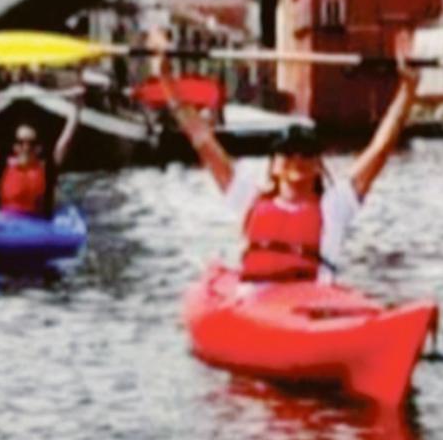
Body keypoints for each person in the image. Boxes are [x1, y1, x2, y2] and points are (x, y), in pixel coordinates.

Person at [157, 28, 419, 282]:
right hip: (256, 306)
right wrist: (166, 79)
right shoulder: (248, 197)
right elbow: (202, 139)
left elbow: (380, 147)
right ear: (273, 166)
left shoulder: (334, 206)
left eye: (306, 152)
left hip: (309, 307)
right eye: (288, 152)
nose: (297, 159)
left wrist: (408, 87)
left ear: (318, 165)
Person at [0, 97, 82, 217]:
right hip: (8, 225)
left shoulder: (48, 167)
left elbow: (65, 141)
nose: (26, 148)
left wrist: (76, 111)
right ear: (15, 147)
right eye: (20, 142)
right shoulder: (2, 165)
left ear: (39, 148)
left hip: (39, 226)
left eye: (31, 143)